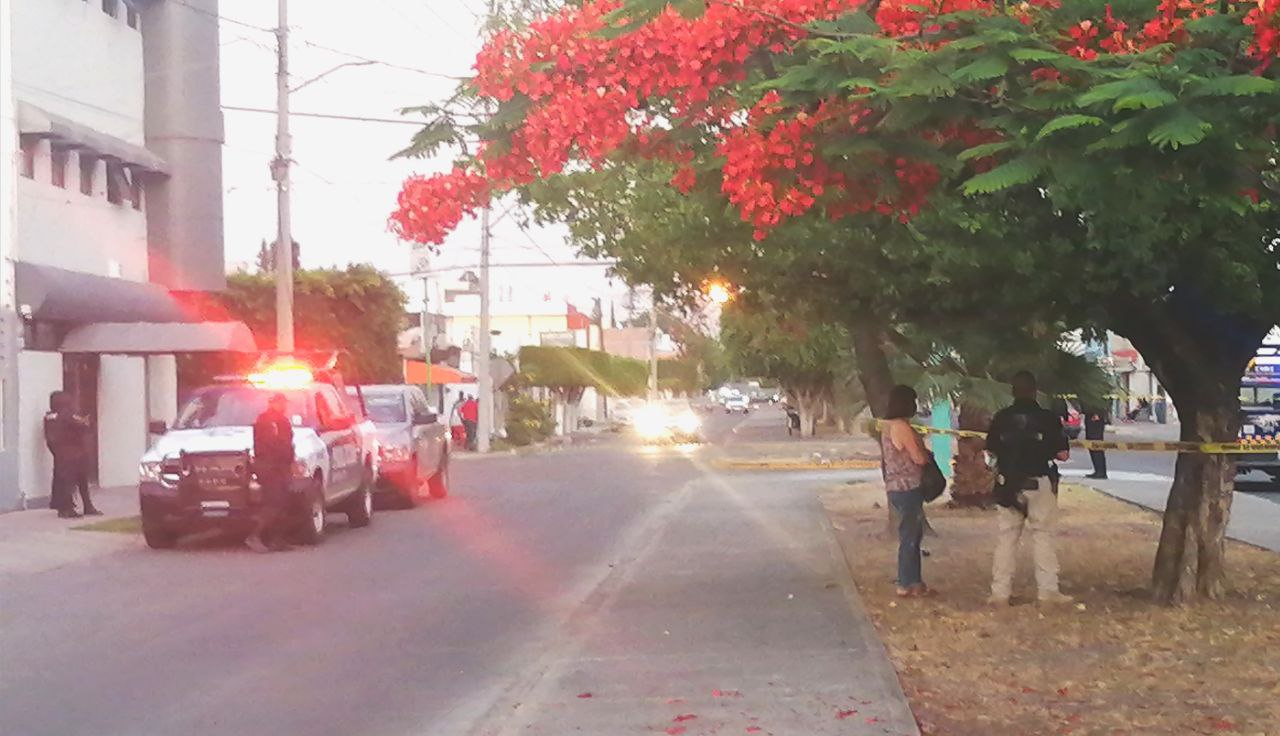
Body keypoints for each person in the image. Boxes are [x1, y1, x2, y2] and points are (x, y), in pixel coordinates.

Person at [985, 371, 1073, 606]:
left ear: (1012, 392)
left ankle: (999, 593)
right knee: (1043, 536)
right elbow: (1063, 454)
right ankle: (1048, 592)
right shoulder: (1048, 418)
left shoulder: (1001, 418)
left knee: (1006, 539)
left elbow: (991, 449)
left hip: (1008, 485)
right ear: (1035, 391)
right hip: (1039, 482)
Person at [879, 385, 934, 598]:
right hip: (908, 486)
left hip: (895, 486)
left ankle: (915, 582)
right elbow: (918, 458)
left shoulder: (886, 426)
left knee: (912, 534)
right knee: (910, 536)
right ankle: (905, 581)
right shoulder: (902, 427)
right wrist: (926, 454)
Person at [249, 393, 295, 553]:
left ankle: (277, 540)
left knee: (282, 503)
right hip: (270, 467)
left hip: (280, 467)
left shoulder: (279, 420)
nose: (284, 406)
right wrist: (287, 455)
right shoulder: (268, 420)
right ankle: (254, 535)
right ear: (274, 403)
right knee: (273, 504)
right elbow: (274, 443)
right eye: (281, 403)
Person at [44, 391, 100, 519]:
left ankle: (76, 506)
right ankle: (68, 508)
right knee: (72, 482)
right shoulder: (67, 415)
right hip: (73, 452)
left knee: (71, 481)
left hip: (62, 453)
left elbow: (51, 438)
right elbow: (83, 426)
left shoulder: (51, 416)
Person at [1083, 402, 1108, 480]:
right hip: (1091, 417)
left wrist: (1097, 414)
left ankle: (1101, 472)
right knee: (1091, 445)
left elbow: (1100, 401)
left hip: (1095, 418)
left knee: (1096, 445)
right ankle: (1098, 470)